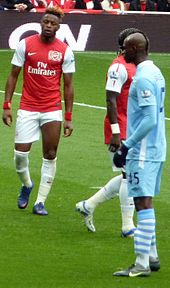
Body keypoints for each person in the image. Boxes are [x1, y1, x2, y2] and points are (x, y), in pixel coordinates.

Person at [2, 6, 75, 215]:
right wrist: (7, 105)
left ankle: (40, 202)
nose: (48, 26)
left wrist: (68, 117)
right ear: (41, 23)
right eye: (45, 22)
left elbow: (68, 85)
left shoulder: (64, 51)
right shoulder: (25, 45)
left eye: (52, 24)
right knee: (20, 156)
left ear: (58, 27)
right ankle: (26, 185)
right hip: (28, 107)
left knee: (50, 154)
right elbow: (13, 75)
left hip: (52, 108)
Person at [75, 28, 141, 237]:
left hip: (133, 127)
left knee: (127, 176)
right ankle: (127, 226)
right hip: (120, 127)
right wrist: (115, 132)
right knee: (130, 177)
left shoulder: (136, 66)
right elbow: (110, 100)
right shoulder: (118, 68)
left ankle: (89, 205)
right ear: (127, 45)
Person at [113, 31, 166, 277]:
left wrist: (126, 145)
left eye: (125, 48)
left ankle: (141, 263)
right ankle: (152, 256)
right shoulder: (155, 72)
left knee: (141, 202)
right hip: (156, 148)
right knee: (146, 202)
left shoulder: (143, 77)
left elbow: (149, 119)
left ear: (134, 49)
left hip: (143, 150)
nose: (123, 53)